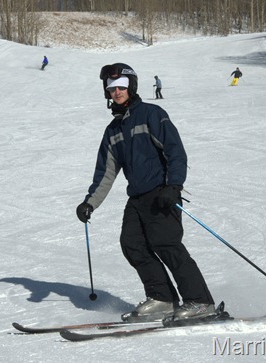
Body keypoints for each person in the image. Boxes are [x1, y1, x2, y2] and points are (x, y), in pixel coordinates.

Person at [76, 63, 216, 323]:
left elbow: (175, 152)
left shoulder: (152, 114)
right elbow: (106, 172)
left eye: (121, 87)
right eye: (111, 88)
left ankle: (201, 302)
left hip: (161, 193)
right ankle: (162, 298)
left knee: (167, 245)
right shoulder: (113, 131)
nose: (116, 92)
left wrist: (173, 186)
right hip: (138, 198)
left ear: (131, 87)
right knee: (132, 244)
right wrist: (90, 203)